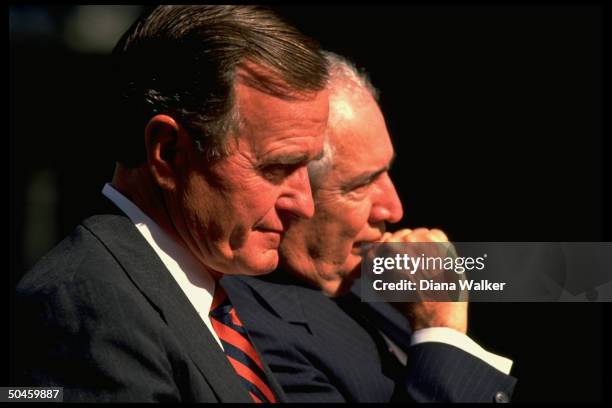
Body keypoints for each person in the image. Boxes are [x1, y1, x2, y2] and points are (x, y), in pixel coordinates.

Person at [12, 5, 329, 402]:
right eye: (277, 167)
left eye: (308, 168)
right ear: (169, 152)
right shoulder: (87, 306)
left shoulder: (224, 287)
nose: (305, 204)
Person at [221, 52, 517, 402]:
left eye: (386, 172)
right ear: (288, 190)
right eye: (360, 185)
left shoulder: (375, 284)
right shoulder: (251, 336)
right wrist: (441, 330)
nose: (393, 209)